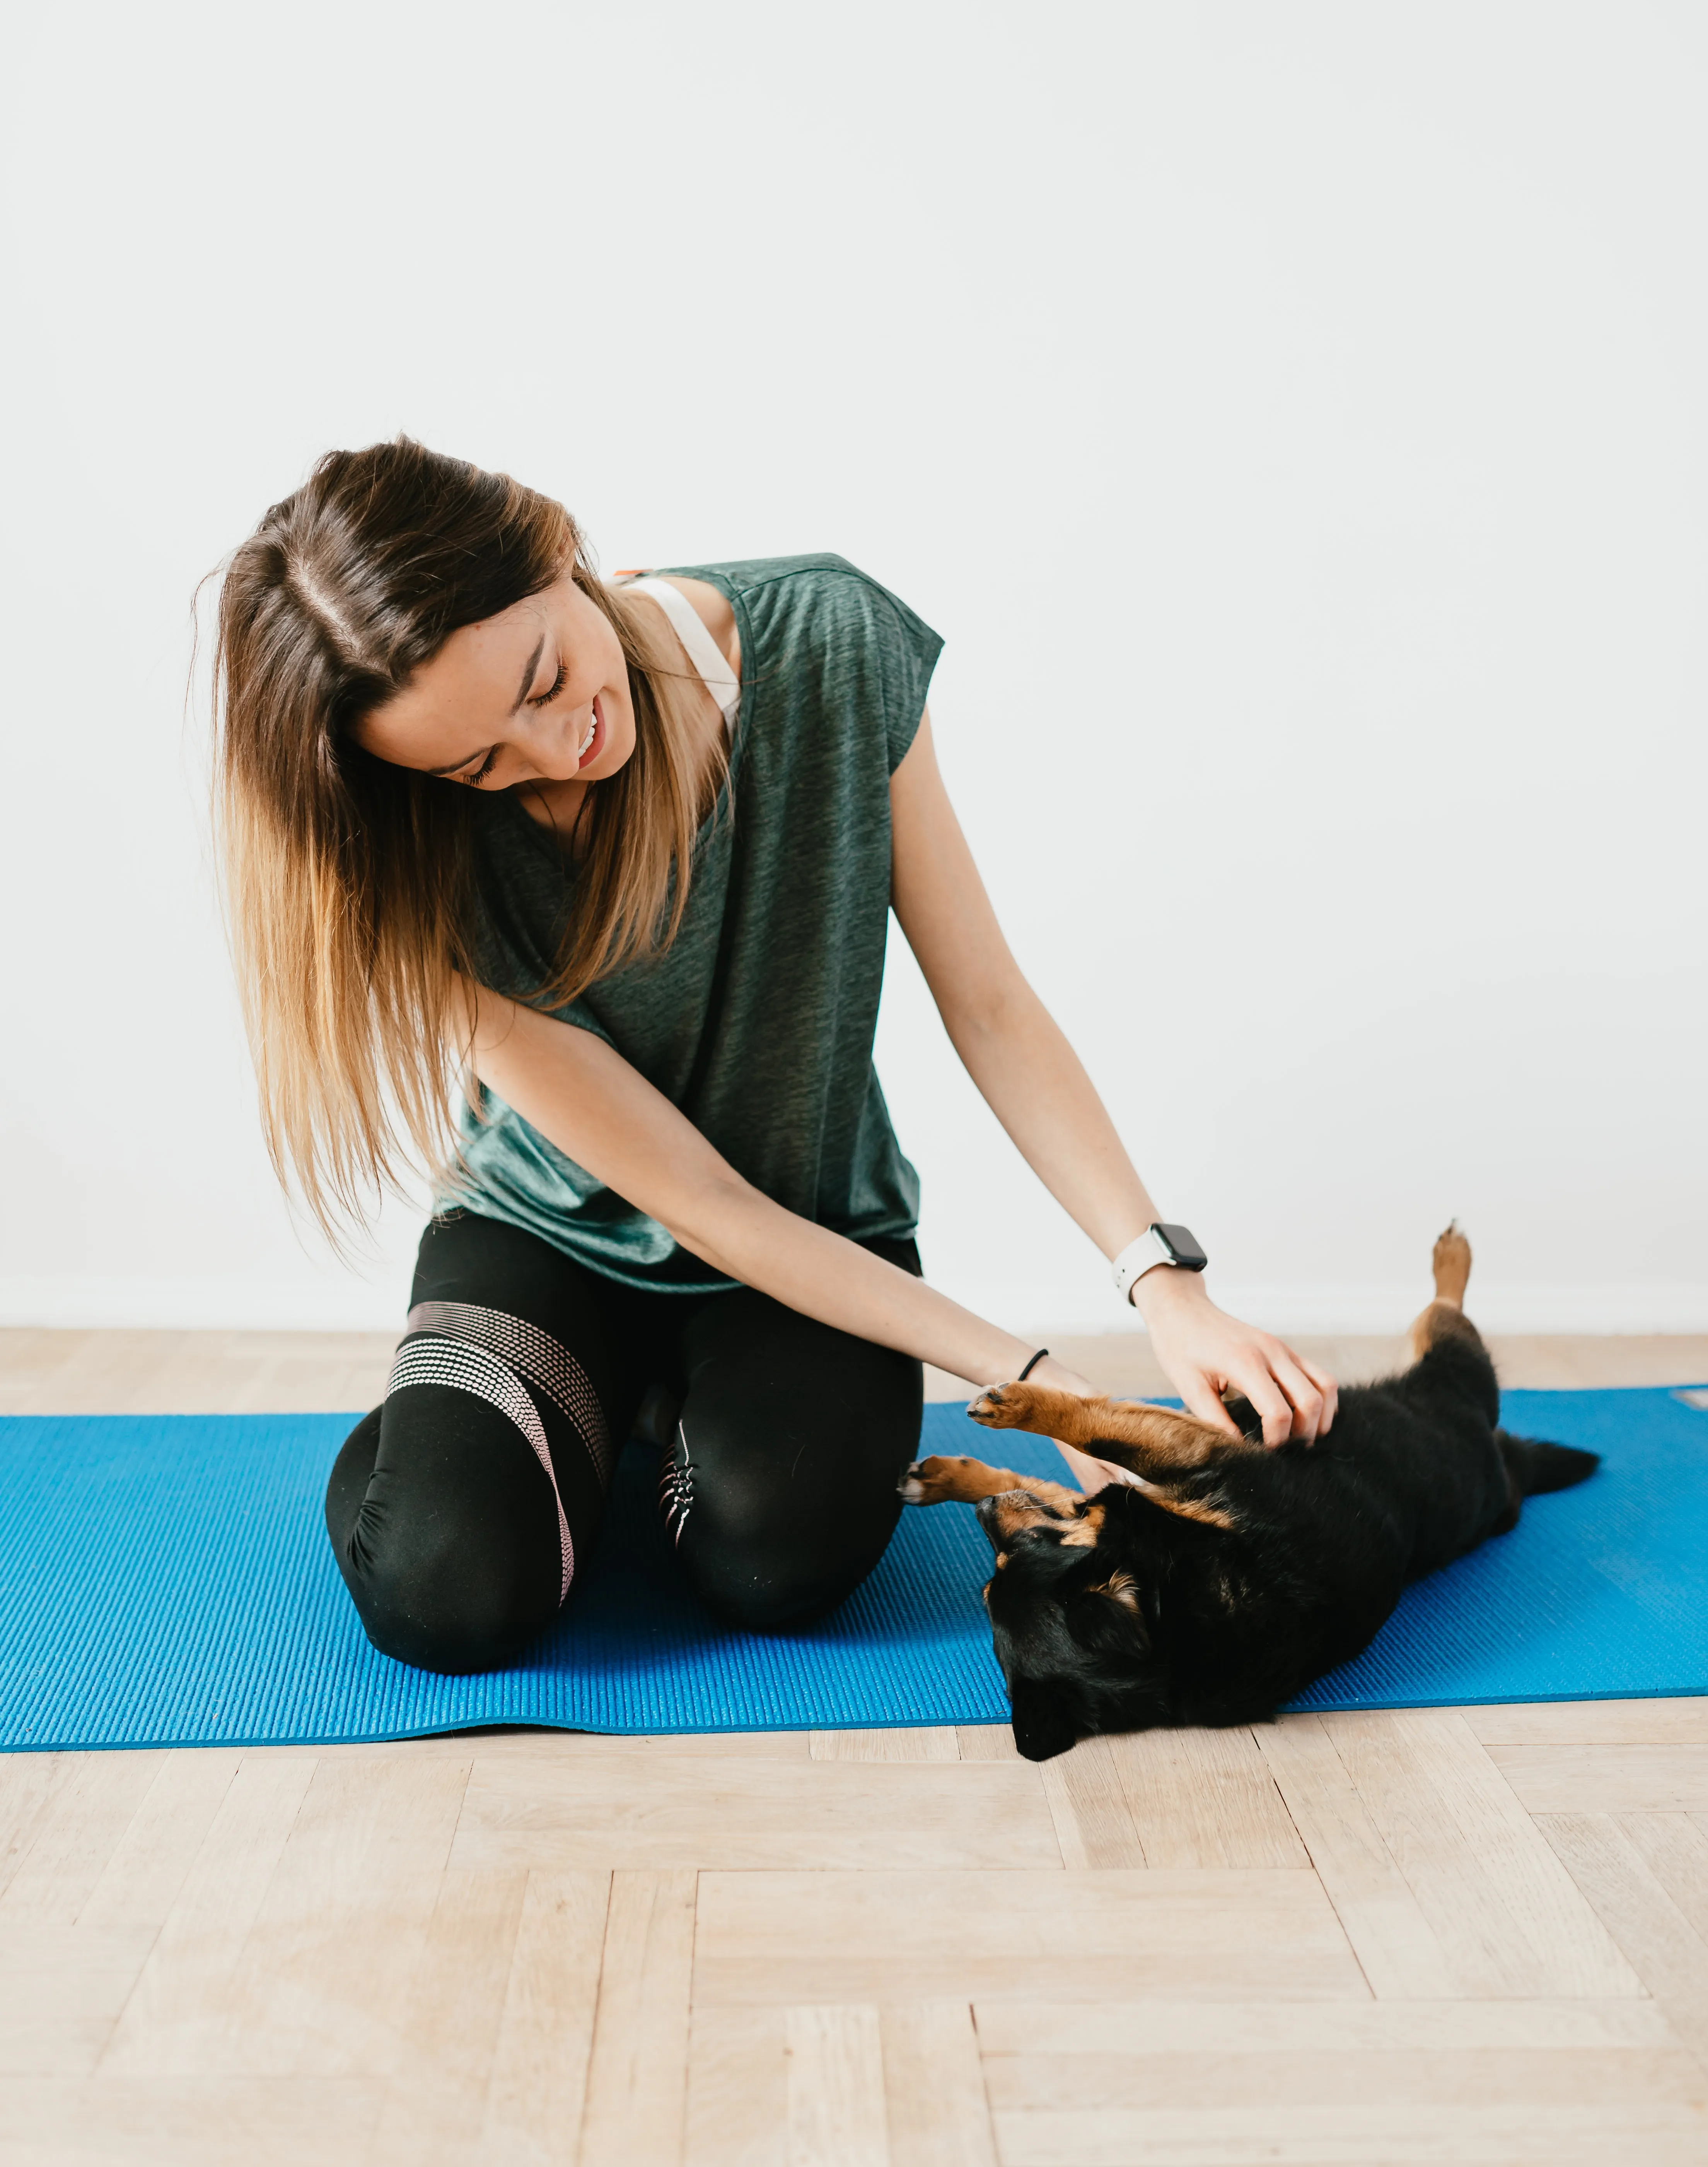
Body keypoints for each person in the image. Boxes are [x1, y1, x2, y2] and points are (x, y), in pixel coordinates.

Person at [210, 437, 1336, 1673]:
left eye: (544, 679)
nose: (554, 751)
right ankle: (487, 1416)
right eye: (477, 763)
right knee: (446, 1592)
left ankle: (590, 1425)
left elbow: (993, 1005)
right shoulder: (405, 853)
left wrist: (1161, 1288)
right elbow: (700, 1201)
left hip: (811, 1238)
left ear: (551, 542)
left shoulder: (831, 645)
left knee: (774, 1563)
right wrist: (1054, 1389)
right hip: (553, 1241)